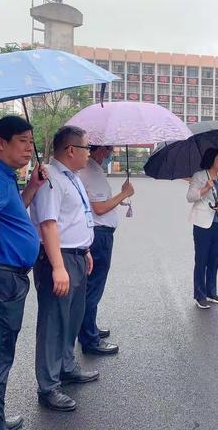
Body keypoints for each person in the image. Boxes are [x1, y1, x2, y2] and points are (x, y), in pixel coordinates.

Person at [30, 126, 98, 412]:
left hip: (77, 256)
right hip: (59, 259)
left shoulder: (73, 177)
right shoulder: (50, 178)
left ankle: (67, 367)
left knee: (72, 317)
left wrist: (86, 249)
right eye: (87, 148)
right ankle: (48, 387)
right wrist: (59, 267)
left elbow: (76, 217)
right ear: (71, 150)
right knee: (54, 323)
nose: (90, 154)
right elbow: (48, 223)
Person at [0, 116, 48, 430]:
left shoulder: (5, 176)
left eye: (32, 142)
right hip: (3, 279)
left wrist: (33, 187)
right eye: (23, 141)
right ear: (1, 143)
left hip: (7, 277)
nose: (30, 148)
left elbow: (12, 215)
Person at [78, 145, 134, 355]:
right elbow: (100, 208)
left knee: (90, 286)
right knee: (93, 287)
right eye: (109, 149)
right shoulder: (91, 171)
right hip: (99, 235)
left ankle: (87, 328)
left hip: (97, 232)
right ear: (100, 150)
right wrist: (124, 194)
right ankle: (89, 339)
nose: (111, 152)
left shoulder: (92, 169)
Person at [186, 148, 218, 309]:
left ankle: (211, 292)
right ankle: (200, 295)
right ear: (211, 159)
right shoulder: (199, 176)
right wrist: (205, 188)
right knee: (201, 260)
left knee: (214, 259)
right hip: (202, 224)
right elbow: (190, 197)